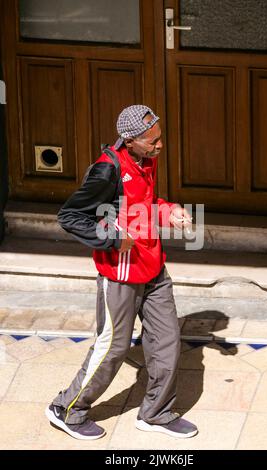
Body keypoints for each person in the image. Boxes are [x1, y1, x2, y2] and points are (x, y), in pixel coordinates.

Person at [45, 104, 198, 440]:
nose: (159, 145)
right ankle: (66, 409)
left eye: (159, 137)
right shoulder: (106, 170)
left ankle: (156, 413)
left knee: (168, 340)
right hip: (119, 274)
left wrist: (169, 211)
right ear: (129, 141)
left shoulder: (147, 160)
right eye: (151, 141)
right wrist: (113, 238)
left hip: (153, 267)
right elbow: (69, 216)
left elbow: (144, 204)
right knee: (113, 346)